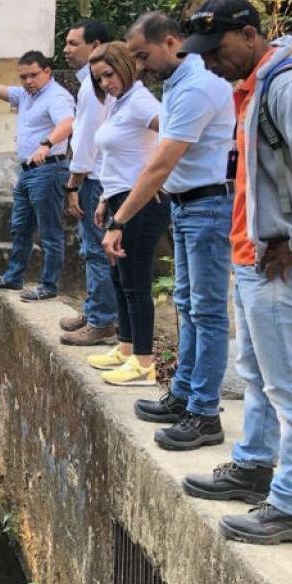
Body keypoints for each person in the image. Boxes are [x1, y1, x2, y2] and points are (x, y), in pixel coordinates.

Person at [177, 0, 292, 546]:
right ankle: (255, 464)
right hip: (255, 257)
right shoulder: (254, 87)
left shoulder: (291, 85)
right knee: (259, 374)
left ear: (250, 35)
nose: (209, 62)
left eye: (216, 48)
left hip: (280, 263)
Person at [107, 12, 235, 451]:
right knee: (187, 303)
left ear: (172, 42)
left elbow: (162, 162)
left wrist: (119, 218)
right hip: (186, 207)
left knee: (208, 311)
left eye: (143, 55)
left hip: (207, 206)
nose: (138, 66)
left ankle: (204, 413)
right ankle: (183, 394)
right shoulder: (178, 84)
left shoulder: (198, 87)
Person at [77, 42, 168, 386]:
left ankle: (144, 361)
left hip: (141, 201)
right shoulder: (120, 103)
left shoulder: (143, 101)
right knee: (119, 277)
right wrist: (103, 199)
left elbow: (174, 136)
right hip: (117, 197)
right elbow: (116, 155)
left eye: (109, 75)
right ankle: (127, 347)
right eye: (99, 79)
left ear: (126, 67)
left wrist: (163, 175)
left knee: (135, 282)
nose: (105, 84)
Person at [0, 44, 75, 301]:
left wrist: (46, 145)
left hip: (48, 170)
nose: (28, 81)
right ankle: (14, 277)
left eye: (33, 75)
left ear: (47, 71)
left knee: (49, 231)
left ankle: (48, 285)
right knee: (19, 227)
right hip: (26, 171)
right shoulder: (26, 95)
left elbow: (67, 123)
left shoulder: (57, 96)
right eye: (23, 77)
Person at [59, 20, 118, 345]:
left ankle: (101, 321)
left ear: (95, 45)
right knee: (92, 248)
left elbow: (85, 141)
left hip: (94, 178)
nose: (66, 50)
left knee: (97, 250)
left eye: (73, 43)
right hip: (97, 176)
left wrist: (72, 185)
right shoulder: (91, 85)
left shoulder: (93, 88)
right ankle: (96, 309)